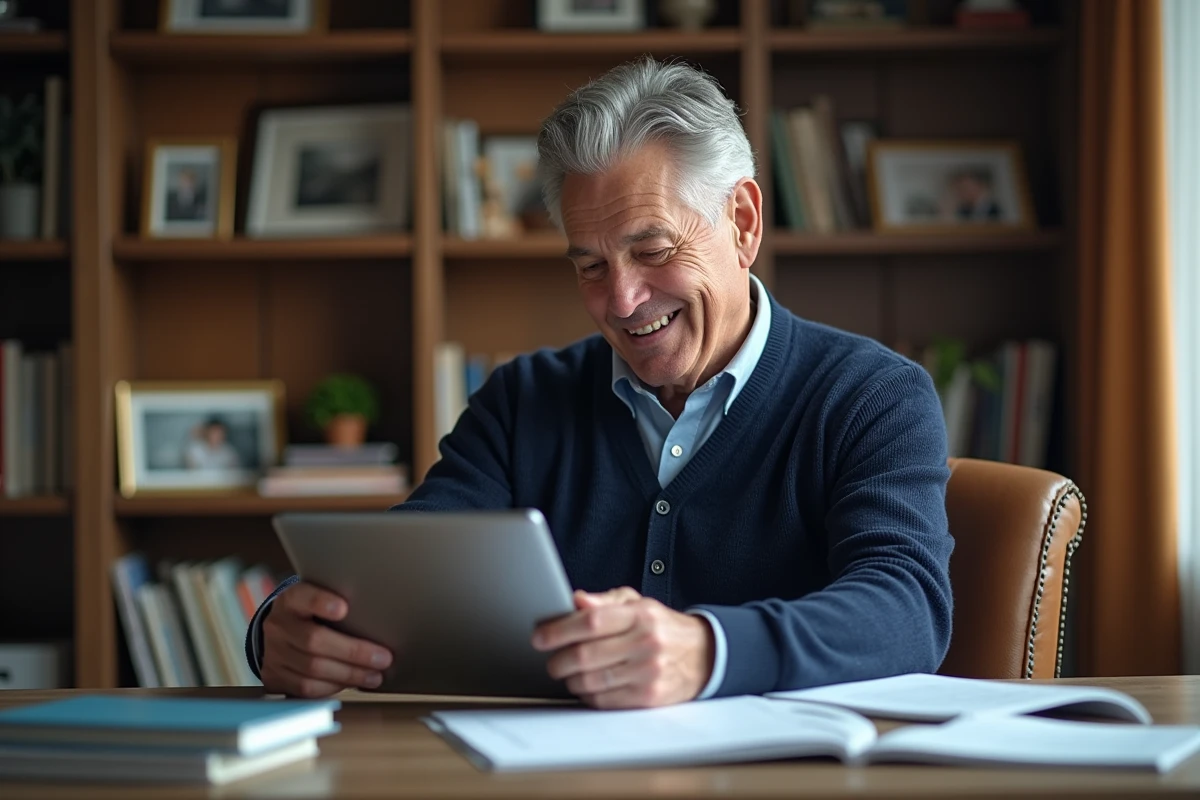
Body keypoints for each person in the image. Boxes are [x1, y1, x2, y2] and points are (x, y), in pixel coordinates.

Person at [245, 58, 954, 708]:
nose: (621, 301)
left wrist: (707, 652)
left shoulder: (873, 396)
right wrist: (284, 626)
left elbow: (905, 608)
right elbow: (409, 563)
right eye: (590, 266)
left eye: (652, 251)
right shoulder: (522, 399)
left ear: (742, 222)